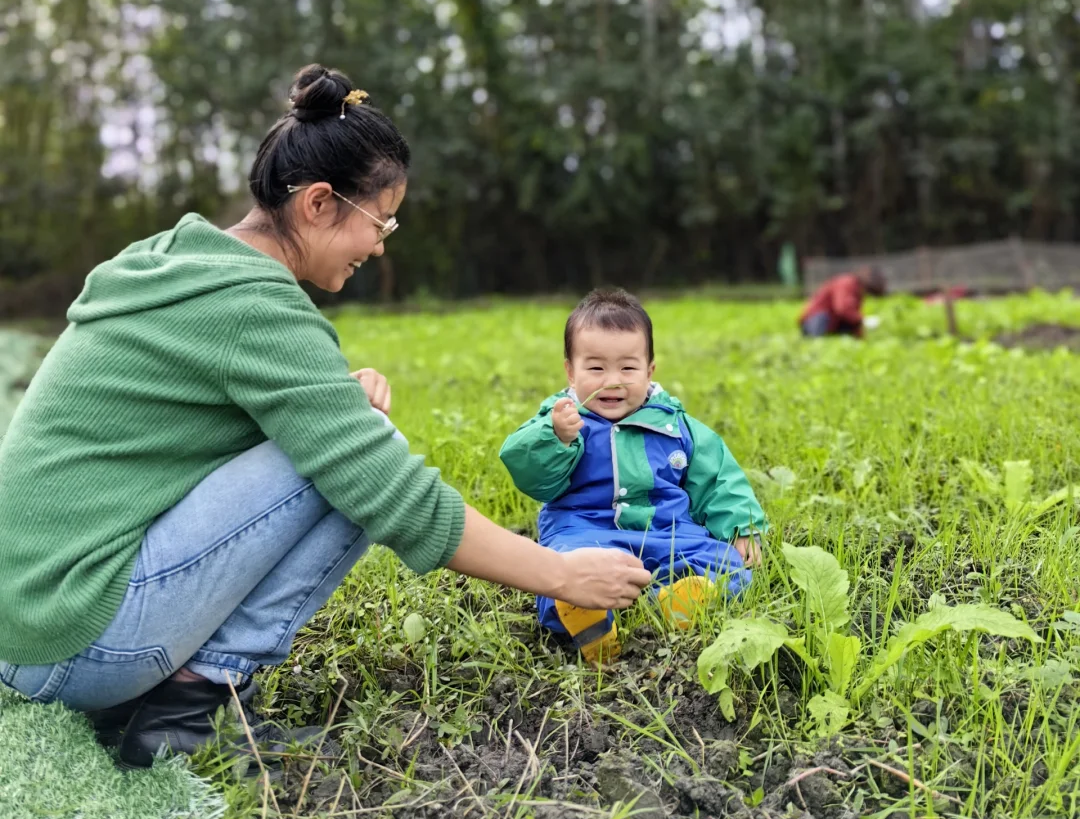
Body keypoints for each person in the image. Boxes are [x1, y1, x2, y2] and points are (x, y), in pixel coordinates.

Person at [0, 65, 651, 769]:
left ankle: (168, 703)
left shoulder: (177, 260)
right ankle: (186, 712)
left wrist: (328, 396)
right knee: (364, 450)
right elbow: (397, 498)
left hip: (30, 619)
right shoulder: (255, 306)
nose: (380, 245)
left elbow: (183, 416)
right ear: (316, 204)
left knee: (347, 434)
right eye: (380, 221)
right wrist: (560, 574)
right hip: (74, 646)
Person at [499, 288, 767, 664]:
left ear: (649, 370)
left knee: (728, 566)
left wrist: (742, 525)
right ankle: (589, 623)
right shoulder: (562, 421)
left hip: (667, 532)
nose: (613, 381)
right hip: (586, 533)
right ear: (570, 372)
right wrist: (555, 438)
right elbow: (527, 470)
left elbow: (719, 478)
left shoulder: (676, 426)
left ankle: (681, 601)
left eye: (627, 368)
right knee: (556, 569)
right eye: (596, 368)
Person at [799, 266, 887, 338]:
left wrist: (861, 338)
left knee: (850, 324)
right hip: (814, 321)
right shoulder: (847, 283)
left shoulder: (857, 291)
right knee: (823, 320)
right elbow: (842, 309)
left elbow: (852, 318)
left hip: (831, 322)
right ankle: (814, 340)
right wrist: (863, 320)